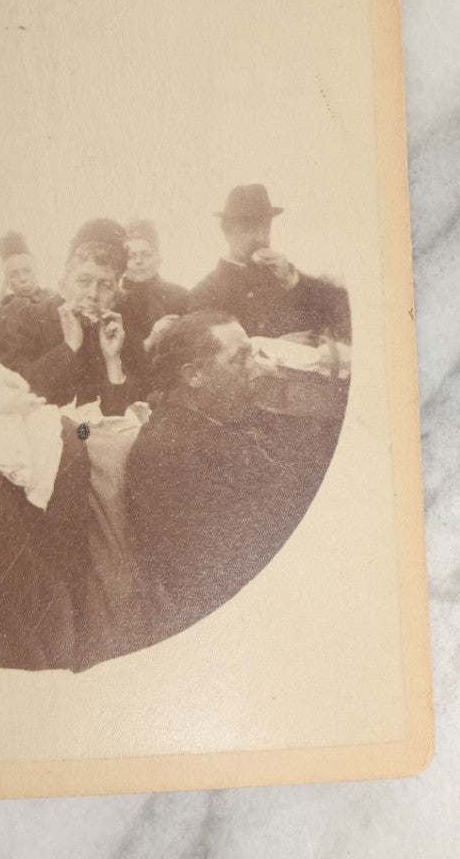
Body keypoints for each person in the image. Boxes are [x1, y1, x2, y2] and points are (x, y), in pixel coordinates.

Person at [119, 310, 343, 655]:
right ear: (194, 376)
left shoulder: (217, 416)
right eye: (241, 359)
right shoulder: (168, 453)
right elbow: (228, 571)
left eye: (253, 352)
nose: (258, 368)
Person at [0, 219, 146, 415]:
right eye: (83, 280)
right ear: (63, 281)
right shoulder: (22, 316)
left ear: (115, 298)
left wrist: (112, 361)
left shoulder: (122, 338)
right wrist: (68, 348)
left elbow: (117, 422)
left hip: (89, 438)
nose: (93, 294)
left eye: (106, 286)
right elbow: (7, 398)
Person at [190, 184, 350, 340]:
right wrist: (280, 348)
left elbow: (343, 309)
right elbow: (214, 354)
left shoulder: (284, 275)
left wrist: (291, 280)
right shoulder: (205, 293)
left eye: (265, 227)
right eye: (249, 228)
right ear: (226, 230)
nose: (260, 237)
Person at [120, 218, 191, 349]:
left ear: (158, 259)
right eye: (131, 256)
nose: (139, 261)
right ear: (122, 263)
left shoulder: (181, 296)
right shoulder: (116, 302)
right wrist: (152, 339)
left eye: (146, 254)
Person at [0, 231, 59, 343]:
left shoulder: (54, 301)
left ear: (36, 271)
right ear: (7, 281)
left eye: (27, 271)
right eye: (14, 274)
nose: (23, 278)